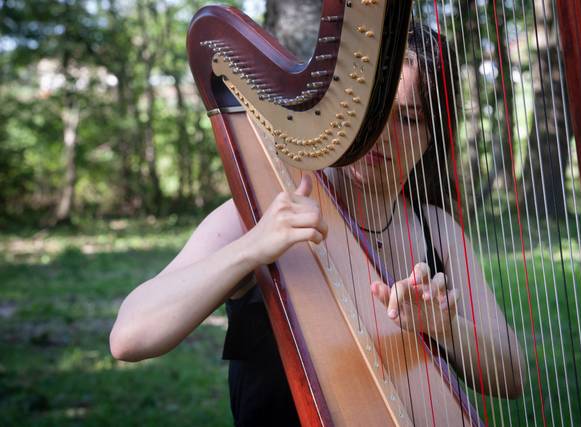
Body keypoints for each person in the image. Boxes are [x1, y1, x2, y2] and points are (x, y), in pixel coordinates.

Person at [110, 24, 523, 426]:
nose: (383, 134)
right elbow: (130, 336)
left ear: (432, 137)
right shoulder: (268, 211)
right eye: (375, 111)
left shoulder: (437, 231)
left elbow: (512, 377)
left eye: (409, 119)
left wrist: (445, 328)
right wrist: (252, 247)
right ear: (345, 109)